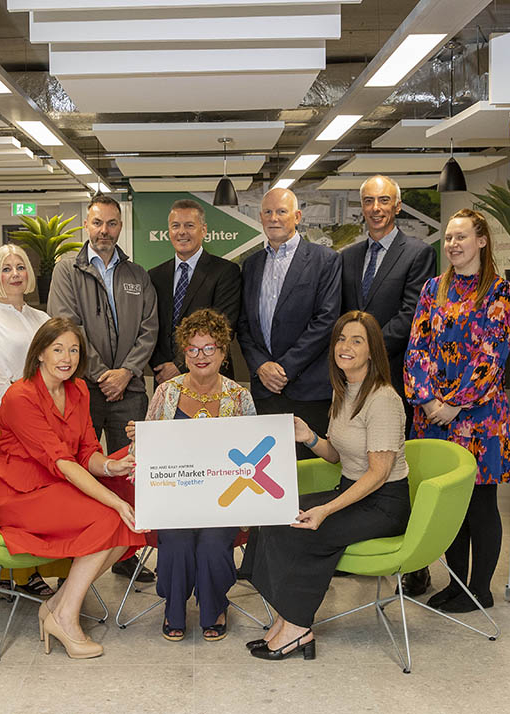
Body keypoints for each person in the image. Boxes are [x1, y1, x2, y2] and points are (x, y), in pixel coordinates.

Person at [247, 311, 411, 660]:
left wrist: (325, 510)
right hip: (352, 491)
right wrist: (309, 437)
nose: (345, 347)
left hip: (384, 504)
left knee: (301, 530)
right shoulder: (345, 390)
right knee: (275, 515)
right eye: (340, 339)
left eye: (357, 340)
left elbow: (378, 473)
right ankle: (286, 616)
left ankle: (298, 628)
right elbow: (338, 456)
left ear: (373, 351)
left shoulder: (383, 399)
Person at [0, 317, 145, 659]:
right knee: (112, 517)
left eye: (74, 350)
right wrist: (114, 502)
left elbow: (87, 450)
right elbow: (61, 461)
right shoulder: (19, 396)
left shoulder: (78, 389)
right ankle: (64, 618)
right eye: (57, 349)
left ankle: (60, 603)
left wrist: (110, 466)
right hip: (21, 494)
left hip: (59, 486)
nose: (67, 357)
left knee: (135, 522)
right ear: (40, 353)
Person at [404, 208, 510, 614]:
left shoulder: (499, 293)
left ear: (482, 241)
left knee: (480, 505)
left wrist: (455, 404)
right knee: (450, 505)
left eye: (460, 237)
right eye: (448, 238)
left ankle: (480, 589)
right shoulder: (433, 288)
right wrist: (431, 401)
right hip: (432, 414)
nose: (452, 244)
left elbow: (492, 357)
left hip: (479, 418)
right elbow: (416, 347)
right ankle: (456, 585)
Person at [126, 308, 255, 642]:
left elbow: (255, 455)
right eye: (193, 349)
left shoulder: (239, 397)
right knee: (179, 540)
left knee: (213, 542)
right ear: (184, 353)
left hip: (224, 500)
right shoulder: (166, 393)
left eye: (209, 348)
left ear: (223, 353)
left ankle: (215, 608)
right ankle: (174, 605)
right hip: (174, 497)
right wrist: (137, 439)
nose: (201, 356)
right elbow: (144, 452)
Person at [47, 195, 158, 582]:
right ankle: (79, 553)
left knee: (132, 470)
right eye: (97, 223)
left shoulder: (137, 275)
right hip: (82, 390)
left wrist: (126, 372)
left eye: (112, 224)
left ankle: (125, 552)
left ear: (120, 227)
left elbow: (149, 329)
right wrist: (101, 374)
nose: (104, 231)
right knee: (81, 469)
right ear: (86, 226)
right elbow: (66, 327)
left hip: (130, 390)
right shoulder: (67, 270)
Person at [340, 174, 436, 596]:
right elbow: (345, 317)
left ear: (396, 206)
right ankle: (361, 546)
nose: (376, 207)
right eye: (368, 201)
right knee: (359, 461)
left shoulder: (418, 253)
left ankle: (415, 564)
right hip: (352, 381)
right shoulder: (348, 256)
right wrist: (352, 356)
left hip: (394, 374)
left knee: (397, 467)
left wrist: (367, 350)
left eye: (384, 200)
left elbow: (413, 314)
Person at [0, 243, 69, 597]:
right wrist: (26, 417)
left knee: (40, 498)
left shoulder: (42, 320)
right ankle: (7, 574)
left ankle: (37, 568)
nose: (14, 275)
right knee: (7, 498)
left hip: (44, 421)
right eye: (6, 269)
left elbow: (57, 372)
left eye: (20, 268)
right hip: (1, 421)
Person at [236, 187, 340, 461]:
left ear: (297, 216)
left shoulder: (325, 260)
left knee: (310, 473)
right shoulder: (251, 265)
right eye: (268, 212)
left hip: (307, 389)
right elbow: (244, 323)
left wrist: (284, 368)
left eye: (281, 212)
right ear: (260, 217)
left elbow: (326, 320)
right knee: (266, 469)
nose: (274, 218)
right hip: (265, 391)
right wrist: (261, 366)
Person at [148, 199, 241, 384]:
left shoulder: (225, 272)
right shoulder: (154, 275)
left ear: (204, 230)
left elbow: (223, 328)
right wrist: (161, 366)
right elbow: (150, 326)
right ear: (169, 231)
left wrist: (179, 366)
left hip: (210, 379)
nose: (182, 232)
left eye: (189, 225)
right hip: (164, 378)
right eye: (176, 226)